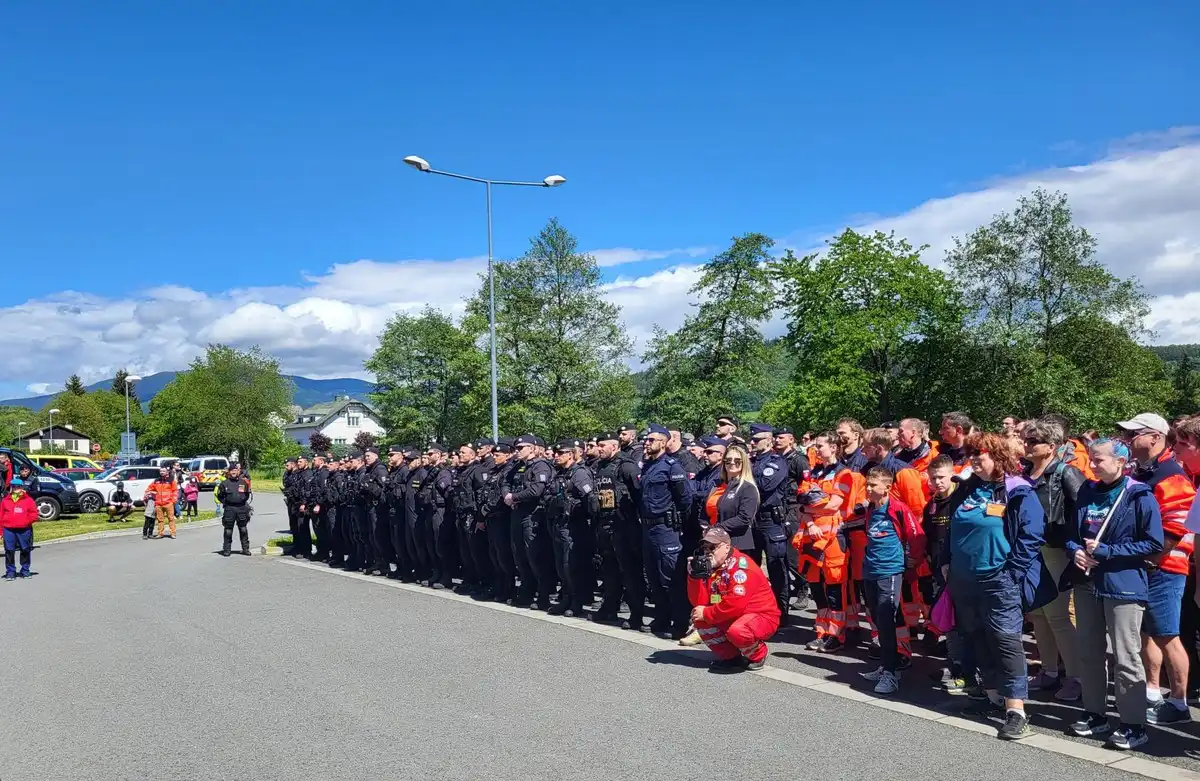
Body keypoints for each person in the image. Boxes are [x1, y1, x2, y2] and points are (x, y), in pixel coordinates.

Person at [943, 431, 1051, 741]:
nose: (975, 459)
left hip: (998, 580)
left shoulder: (1017, 491)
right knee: (977, 639)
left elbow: (1032, 536)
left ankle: (1016, 710)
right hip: (964, 580)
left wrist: (1012, 573)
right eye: (973, 454)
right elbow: (953, 529)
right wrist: (945, 561)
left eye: (982, 454)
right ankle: (992, 699)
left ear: (999, 458)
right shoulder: (966, 490)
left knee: (1005, 642)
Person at [1064, 438, 1163, 751]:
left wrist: (1108, 551)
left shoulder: (1138, 495)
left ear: (1121, 462)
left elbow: (1153, 543)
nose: (1092, 466)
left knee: (1125, 655)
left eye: (1099, 460)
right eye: (1091, 459)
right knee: (1089, 651)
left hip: (1123, 584)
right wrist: (1076, 552)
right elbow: (1071, 534)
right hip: (1086, 581)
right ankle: (1095, 713)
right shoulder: (1087, 491)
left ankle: (1133, 722)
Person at [1117, 412, 1196, 726]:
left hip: (1165, 566)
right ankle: (1152, 692)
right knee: (1148, 632)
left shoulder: (1171, 474)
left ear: (1154, 437)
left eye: (1133, 433)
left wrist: (1146, 557)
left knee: (1167, 635)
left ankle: (1179, 703)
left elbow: (1177, 526)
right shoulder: (1142, 471)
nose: (1127, 439)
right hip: (1145, 564)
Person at [1022, 417, 1086, 703]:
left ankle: (1076, 677)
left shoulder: (1065, 473)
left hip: (1056, 550)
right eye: (1026, 440)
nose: (1027, 445)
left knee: (1059, 617)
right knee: (1038, 616)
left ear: (1051, 446)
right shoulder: (1025, 473)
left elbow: (1084, 514)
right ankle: (1048, 671)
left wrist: (1076, 548)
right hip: (1030, 551)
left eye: (1033, 441)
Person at [852, 467, 925, 695]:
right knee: (876, 618)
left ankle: (892, 673)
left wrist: (912, 560)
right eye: (868, 484)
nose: (869, 489)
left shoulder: (898, 509)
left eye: (873, 485)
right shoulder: (870, 510)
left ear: (888, 487)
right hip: (870, 571)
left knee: (887, 619)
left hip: (890, 572)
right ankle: (885, 664)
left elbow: (917, 536)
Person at [685, 526, 781, 672]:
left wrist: (707, 613)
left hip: (760, 616)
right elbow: (699, 603)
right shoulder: (712, 567)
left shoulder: (741, 567)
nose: (708, 552)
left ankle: (758, 654)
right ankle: (731, 657)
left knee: (737, 630)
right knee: (699, 617)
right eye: (705, 548)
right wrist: (694, 577)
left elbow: (735, 605)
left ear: (726, 547)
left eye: (713, 547)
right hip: (732, 615)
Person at [640, 423, 694, 638]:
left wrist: (681, 525)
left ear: (663, 442)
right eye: (646, 439)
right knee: (653, 576)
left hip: (666, 528)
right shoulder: (648, 466)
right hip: (648, 528)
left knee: (670, 577)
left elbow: (685, 499)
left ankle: (680, 622)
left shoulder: (672, 466)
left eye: (651, 439)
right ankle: (661, 618)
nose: (647, 443)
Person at [592, 432, 644, 629]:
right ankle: (609, 608)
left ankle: (636, 614)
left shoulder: (627, 466)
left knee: (630, 572)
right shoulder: (600, 466)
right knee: (609, 570)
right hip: (604, 524)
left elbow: (639, 494)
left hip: (624, 526)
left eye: (603, 445)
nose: (599, 449)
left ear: (614, 446)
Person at [545, 439, 598, 616]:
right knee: (561, 565)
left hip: (574, 526)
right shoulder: (559, 473)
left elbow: (590, 499)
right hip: (558, 524)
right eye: (556, 453)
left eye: (561, 453)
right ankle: (566, 599)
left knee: (571, 566)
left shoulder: (579, 473)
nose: (557, 456)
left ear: (571, 454)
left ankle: (576, 602)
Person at [748, 423, 792, 621]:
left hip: (770, 520)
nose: (752, 443)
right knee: (752, 567)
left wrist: (745, 484)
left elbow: (765, 485)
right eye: (752, 439)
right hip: (753, 519)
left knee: (776, 566)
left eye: (756, 440)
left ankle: (781, 611)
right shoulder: (751, 461)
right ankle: (758, 607)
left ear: (768, 440)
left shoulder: (777, 462)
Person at [506, 435, 555, 608]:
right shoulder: (518, 466)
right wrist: (507, 494)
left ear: (533, 448)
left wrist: (515, 497)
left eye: (521, 448)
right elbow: (505, 481)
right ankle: (526, 592)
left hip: (533, 514)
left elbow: (537, 490)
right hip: (518, 513)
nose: (517, 451)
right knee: (520, 555)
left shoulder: (540, 466)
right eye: (516, 448)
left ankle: (543, 595)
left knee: (535, 556)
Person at [1, 478, 39, 579]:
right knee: (9, 550)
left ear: (22, 487)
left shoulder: (28, 500)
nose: (16, 488)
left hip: (24, 529)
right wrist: (1, 531)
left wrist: (26, 522)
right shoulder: (5, 501)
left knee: (25, 549)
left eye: (18, 486)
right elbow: (1, 516)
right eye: (14, 486)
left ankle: (25, 570)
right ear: (11, 488)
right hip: (8, 529)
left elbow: (34, 514)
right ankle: (10, 572)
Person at [216, 463, 253, 557]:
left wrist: (242, 501)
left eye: (235, 470)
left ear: (238, 471)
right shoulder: (224, 484)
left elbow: (247, 495)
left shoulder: (243, 482)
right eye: (232, 470)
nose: (234, 472)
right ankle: (227, 550)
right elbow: (220, 496)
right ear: (229, 472)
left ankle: (245, 549)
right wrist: (227, 502)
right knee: (228, 530)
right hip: (229, 509)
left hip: (241, 508)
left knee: (243, 529)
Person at [150, 466, 178, 540]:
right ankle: (160, 533)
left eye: (163, 471)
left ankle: (173, 533)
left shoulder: (171, 480)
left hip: (168, 503)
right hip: (159, 504)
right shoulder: (156, 481)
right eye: (161, 471)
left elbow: (175, 491)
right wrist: (149, 494)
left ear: (167, 472)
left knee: (171, 519)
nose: (162, 472)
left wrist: (173, 500)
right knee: (160, 520)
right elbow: (149, 489)